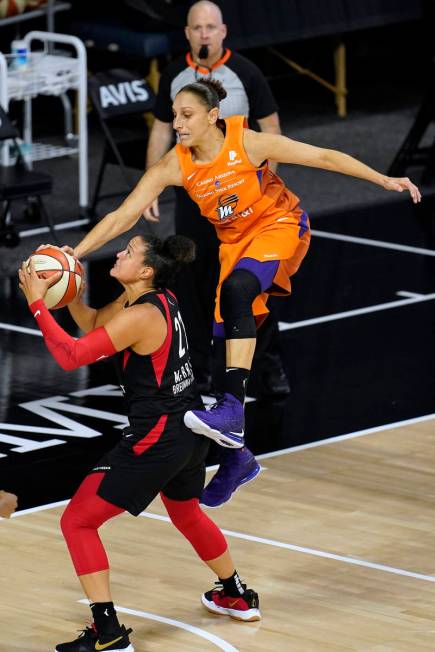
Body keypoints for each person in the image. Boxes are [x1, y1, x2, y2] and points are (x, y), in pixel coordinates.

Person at [59, 78, 421, 512]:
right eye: (173, 115)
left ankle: (232, 408)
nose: (177, 123)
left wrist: (382, 179)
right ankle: (236, 458)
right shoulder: (175, 164)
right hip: (236, 246)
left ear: (213, 116)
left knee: (237, 291)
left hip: (279, 225)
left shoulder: (247, 142)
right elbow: (123, 215)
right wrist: (74, 254)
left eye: (186, 115)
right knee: (222, 344)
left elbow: (321, 156)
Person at [19, 234, 261, 652]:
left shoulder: (141, 315)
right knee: (186, 513)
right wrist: (71, 292)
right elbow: (95, 324)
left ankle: (107, 633)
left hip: (158, 436)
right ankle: (235, 593)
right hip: (188, 430)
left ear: (146, 270)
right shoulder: (154, 298)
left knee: (77, 521)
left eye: (128, 252)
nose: (118, 253)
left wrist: (38, 304)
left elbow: (72, 356)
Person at [145, 0, 290, 399]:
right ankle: (201, 370)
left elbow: (272, 129)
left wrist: (267, 186)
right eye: (197, 28)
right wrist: (151, 184)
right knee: (193, 284)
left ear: (223, 32)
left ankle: (269, 362)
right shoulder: (175, 74)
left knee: (248, 285)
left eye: (211, 27)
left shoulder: (245, 72)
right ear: (187, 34)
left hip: (241, 199)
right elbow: (159, 130)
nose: (204, 34)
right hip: (194, 198)